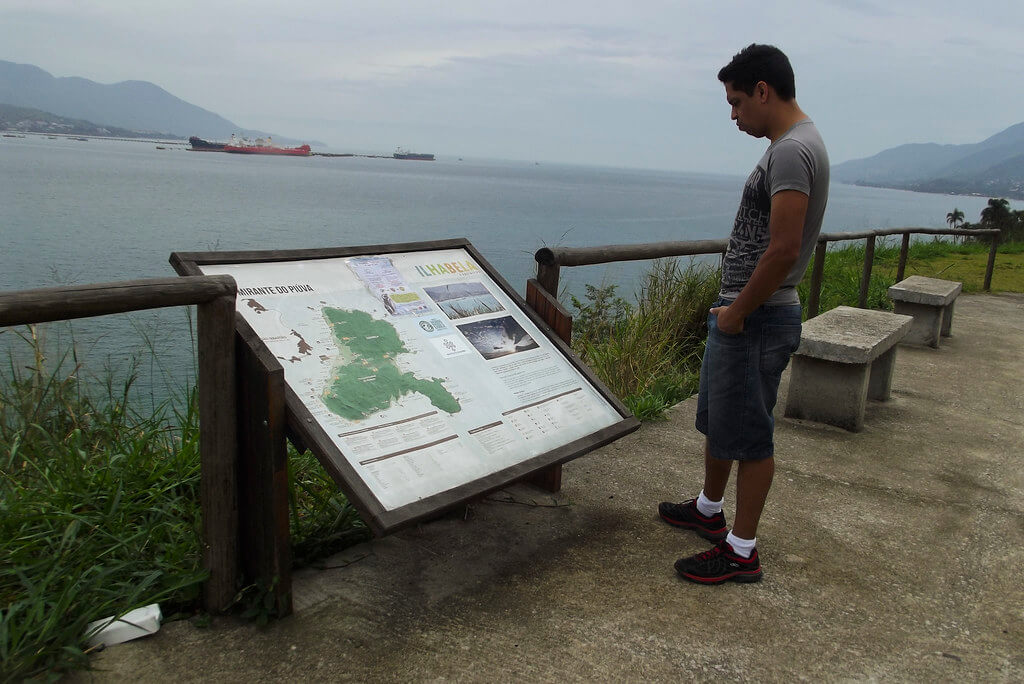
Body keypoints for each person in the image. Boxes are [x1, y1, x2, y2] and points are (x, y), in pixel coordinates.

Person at [659, 44, 829, 584]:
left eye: (736, 102)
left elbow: (783, 248)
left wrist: (737, 314)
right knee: (722, 420)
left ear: (763, 90)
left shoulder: (790, 152)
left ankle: (741, 550)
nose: (733, 115)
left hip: (757, 317)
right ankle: (711, 511)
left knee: (751, 433)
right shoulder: (795, 145)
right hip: (747, 314)